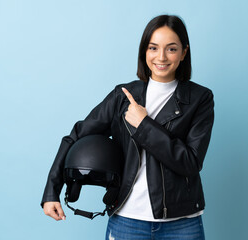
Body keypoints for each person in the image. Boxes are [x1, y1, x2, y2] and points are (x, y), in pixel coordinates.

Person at [41, 14, 214, 240]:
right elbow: (76, 136)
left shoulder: (200, 98)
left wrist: (144, 125)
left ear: (183, 52)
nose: (161, 56)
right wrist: (51, 191)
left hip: (182, 223)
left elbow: (190, 162)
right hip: (127, 220)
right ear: (144, 51)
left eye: (171, 49)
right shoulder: (123, 96)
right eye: (153, 48)